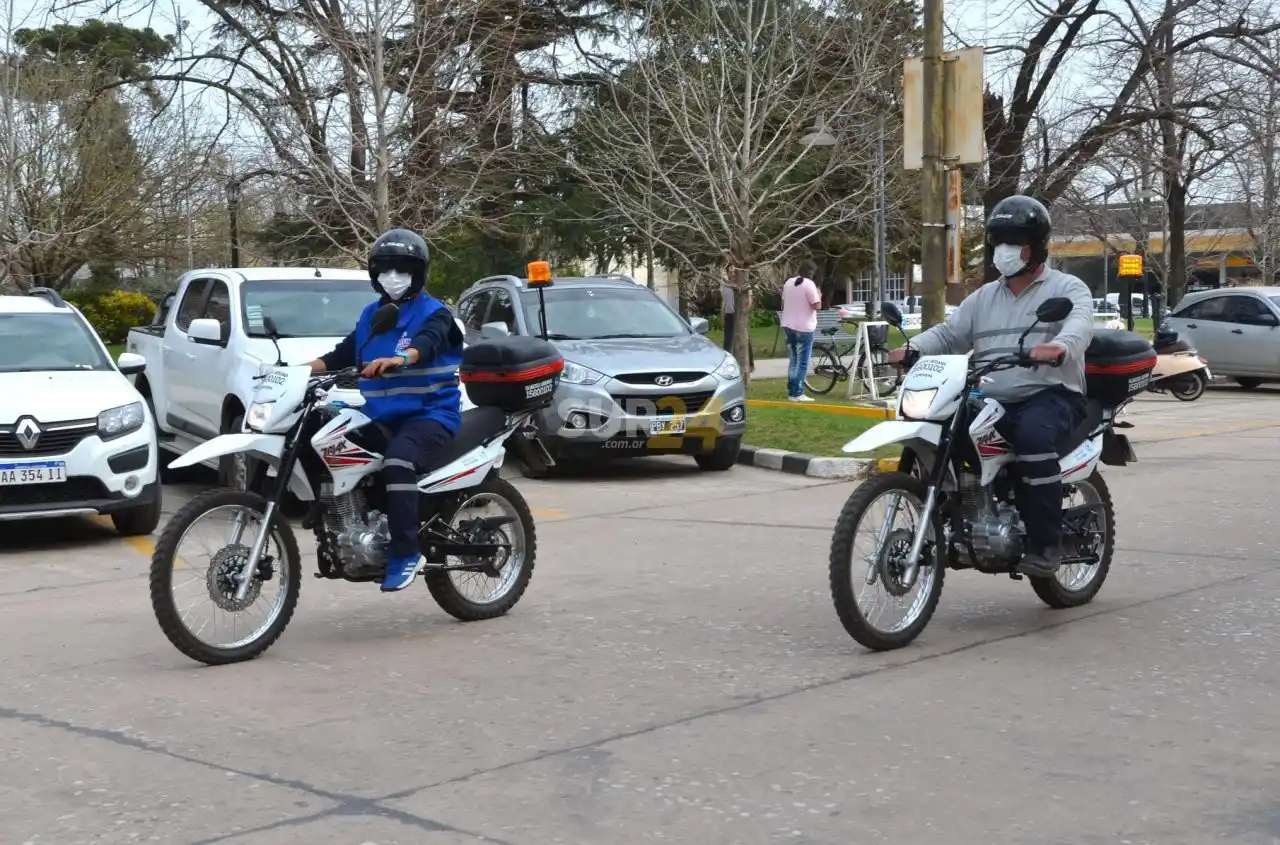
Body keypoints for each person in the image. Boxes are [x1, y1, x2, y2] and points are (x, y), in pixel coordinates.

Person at [888, 194, 1093, 576]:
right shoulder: (983, 297)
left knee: (1033, 437)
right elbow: (951, 334)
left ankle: (1046, 543)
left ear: (1037, 246)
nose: (1005, 251)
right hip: (992, 397)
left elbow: (1080, 325)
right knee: (943, 427)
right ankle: (964, 513)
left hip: (1050, 395)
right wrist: (912, 349)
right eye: (999, 243)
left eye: (1014, 242)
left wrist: (1058, 347)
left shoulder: (1067, 288)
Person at [305, 228, 464, 592]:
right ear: (374, 275)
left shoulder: (436, 313)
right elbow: (341, 355)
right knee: (329, 445)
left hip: (430, 415)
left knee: (398, 463)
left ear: (418, 273)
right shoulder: (372, 315)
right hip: (383, 415)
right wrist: (295, 371)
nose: (393, 277)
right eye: (385, 269)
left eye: (403, 269)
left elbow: (427, 342)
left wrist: (399, 359)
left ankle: (406, 552)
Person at [779, 259, 822, 402]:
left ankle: (792, 391)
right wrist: (819, 295)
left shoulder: (788, 283)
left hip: (788, 325)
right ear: (812, 273)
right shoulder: (809, 285)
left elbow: (783, 302)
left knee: (793, 360)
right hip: (804, 328)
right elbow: (816, 305)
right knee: (802, 362)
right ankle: (797, 393)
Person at [720, 268, 755, 371]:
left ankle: (750, 364)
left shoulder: (744, 285)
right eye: (730, 272)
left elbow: (749, 300)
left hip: (739, 315)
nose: (732, 274)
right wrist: (722, 314)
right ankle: (725, 364)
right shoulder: (725, 286)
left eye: (734, 272)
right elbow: (724, 301)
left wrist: (744, 312)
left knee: (745, 339)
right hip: (729, 315)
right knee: (728, 340)